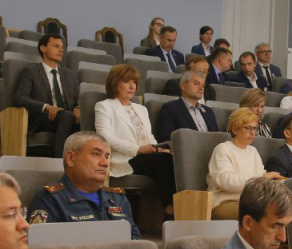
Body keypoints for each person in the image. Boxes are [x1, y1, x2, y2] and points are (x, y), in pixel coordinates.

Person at [94, 64, 176, 216]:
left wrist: (158, 148)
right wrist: (138, 149)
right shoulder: (104, 106)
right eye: (127, 81)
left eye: (134, 82)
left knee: (171, 157)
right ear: (115, 83)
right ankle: (169, 210)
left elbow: (148, 136)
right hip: (125, 158)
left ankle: (178, 210)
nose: (132, 86)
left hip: (145, 156)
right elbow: (105, 137)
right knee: (165, 161)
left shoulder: (141, 109)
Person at [27, 132, 140, 238]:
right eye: (96, 154)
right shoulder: (50, 199)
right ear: (71, 159)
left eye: (107, 156)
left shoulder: (117, 198)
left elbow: (136, 244)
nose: (105, 163)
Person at [12, 34, 80, 158]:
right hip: (43, 117)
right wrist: (46, 107)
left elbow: (77, 101)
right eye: (56, 46)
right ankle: (60, 162)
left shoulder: (69, 75)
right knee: (67, 116)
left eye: (62, 48)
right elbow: (20, 98)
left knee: (82, 117)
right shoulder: (31, 71)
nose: (61, 50)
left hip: (66, 116)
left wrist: (78, 109)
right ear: (43, 48)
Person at [207, 108, 281, 220]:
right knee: (260, 213)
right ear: (235, 130)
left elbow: (261, 178)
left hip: (250, 202)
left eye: (255, 128)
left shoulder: (253, 151)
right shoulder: (223, 149)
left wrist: (274, 180)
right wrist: (261, 178)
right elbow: (225, 181)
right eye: (248, 128)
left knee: (281, 208)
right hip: (224, 202)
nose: (253, 133)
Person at [154, 70, 219, 143]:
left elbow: (217, 138)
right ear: (183, 86)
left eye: (203, 85)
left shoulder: (208, 112)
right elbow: (166, 138)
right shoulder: (170, 108)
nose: (201, 88)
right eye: (196, 84)